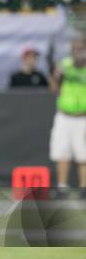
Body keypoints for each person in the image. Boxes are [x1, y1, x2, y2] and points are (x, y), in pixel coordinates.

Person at [49, 38, 86, 197]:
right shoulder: (64, 65)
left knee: (83, 154)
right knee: (62, 152)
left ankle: (84, 188)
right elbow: (54, 89)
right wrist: (56, 77)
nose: (77, 52)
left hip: (83, 117)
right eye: (75, 49)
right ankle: (62, 187)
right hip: (64, 116)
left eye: (81, 48)